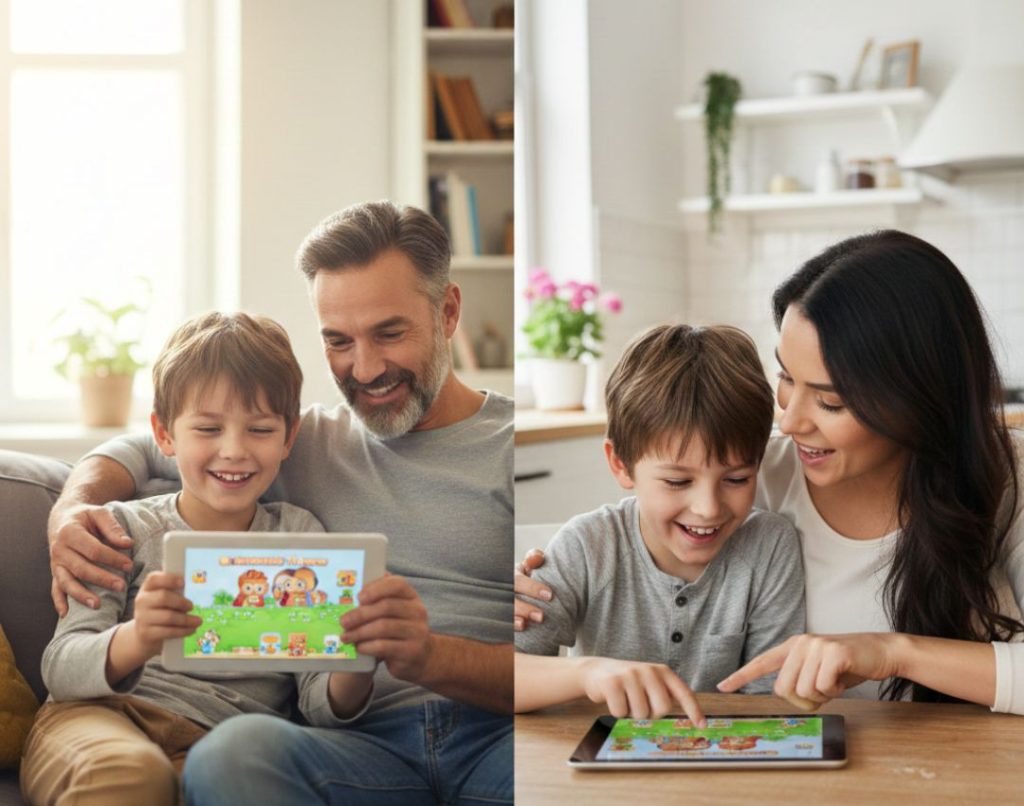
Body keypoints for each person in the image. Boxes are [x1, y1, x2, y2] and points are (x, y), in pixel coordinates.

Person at [45, 201, 513, 804]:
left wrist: (427, 656)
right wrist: (71, 509)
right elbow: (149, 446)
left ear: (447, 312)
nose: (365, 368)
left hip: (497, 733)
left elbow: (560, 653)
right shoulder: (298, 441)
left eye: (389, 333)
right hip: (358, 749)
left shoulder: (517, 445)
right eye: (338, 341)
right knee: (235, 754)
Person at [517, 230, 1024, 715]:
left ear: (918, 399)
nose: (790, 421)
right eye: (785, 377)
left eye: (830, 401)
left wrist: (894, 652)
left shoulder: (1008, 479)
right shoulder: (759, 476)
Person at [20, 311, 365, 805]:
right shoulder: (120, 529)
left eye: (260, 430)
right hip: (101, 718)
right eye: (207, 428)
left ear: (289, 437)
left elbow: (317, 700)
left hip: (218, 742)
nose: (234, 450)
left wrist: (358, 661)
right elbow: (61, 667)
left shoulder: (299, 537)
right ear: (164, 435)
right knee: (130, 775)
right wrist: (137, 638)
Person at [515, 325, 805, 724]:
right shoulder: (588, 546)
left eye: (737, 479)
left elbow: (772, 706)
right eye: (677, 481)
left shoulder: (770, 547)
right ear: (620, 464)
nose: (707, 508)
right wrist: (588, 672)